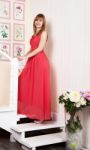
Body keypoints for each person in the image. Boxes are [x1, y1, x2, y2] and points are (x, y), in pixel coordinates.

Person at [17, 13, 51, 123]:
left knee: (38, 87)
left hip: (40, 62)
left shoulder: (44, 33)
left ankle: (40, 116)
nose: (38, 22)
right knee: (22, 80)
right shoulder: (33, 34)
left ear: (43, 22)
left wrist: (26, 56)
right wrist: (23, 56)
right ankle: (29, 111)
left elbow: (40, 48)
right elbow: (32, 48)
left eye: (40, 20)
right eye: (36, 20)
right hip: (32, 60)